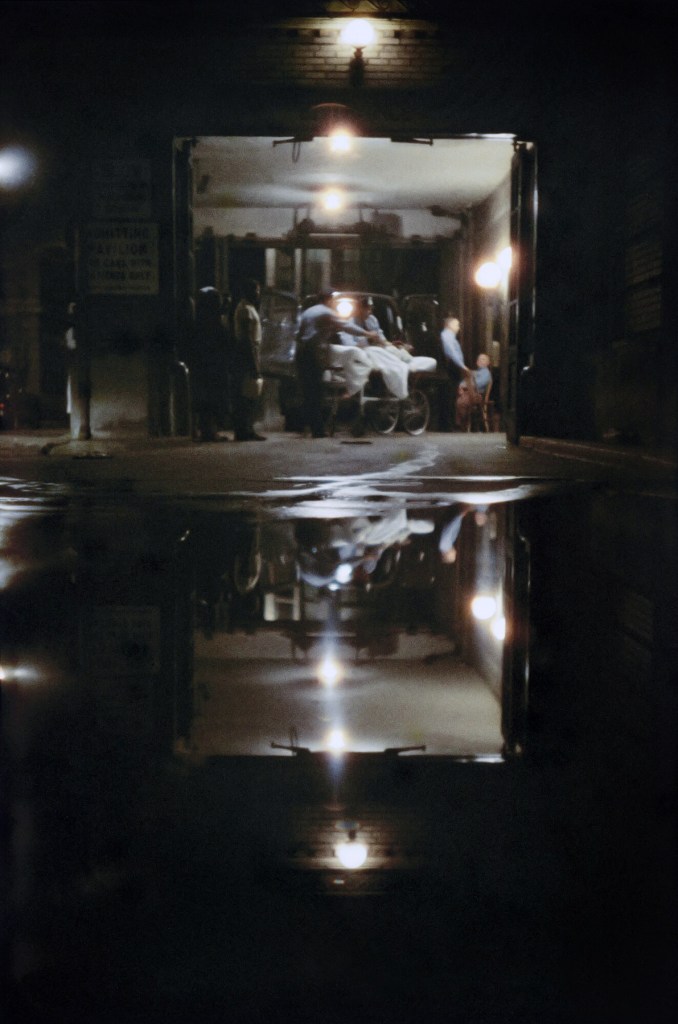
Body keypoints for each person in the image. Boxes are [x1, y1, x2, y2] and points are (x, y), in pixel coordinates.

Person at [295, 288, 379, 438]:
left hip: (301, 353)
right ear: (328, 300)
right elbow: (346, 326)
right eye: (333, 300)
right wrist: (368, 334)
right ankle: (317, 430)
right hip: (312, 353)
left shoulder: (308, 311)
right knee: (316, 391)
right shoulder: (326, 312)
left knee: (307, 391)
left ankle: (305, 426)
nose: (334, 303)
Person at [192, 286, 230, 442]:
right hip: (213, 365)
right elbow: (222, 340)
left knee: (206, 398)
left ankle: (206, 429)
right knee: (212, 398)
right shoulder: (212, 322)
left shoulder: (199, 319)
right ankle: (209, 431)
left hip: (203, 364)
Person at [232, 278, 266, 441]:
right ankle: (243, 430)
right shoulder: (245, 309)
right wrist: (254, 365)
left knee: (250, 394)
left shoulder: (249, 308)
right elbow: (246, 339)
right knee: (247, 395)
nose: (258, 294)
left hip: (251, 352)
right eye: (257, 290)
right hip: (246, 354)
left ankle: (247, 429)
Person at [439, 314, 472, 431]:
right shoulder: (447, 336)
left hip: (453, 368)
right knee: (449, 397)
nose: (459, 327)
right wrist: (462, 366)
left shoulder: (449, 337)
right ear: (450, 325)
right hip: (451, 368)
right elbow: (451, 353)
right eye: (457, 324)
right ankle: (447, 426)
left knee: (451, 396)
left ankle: (447, 425)